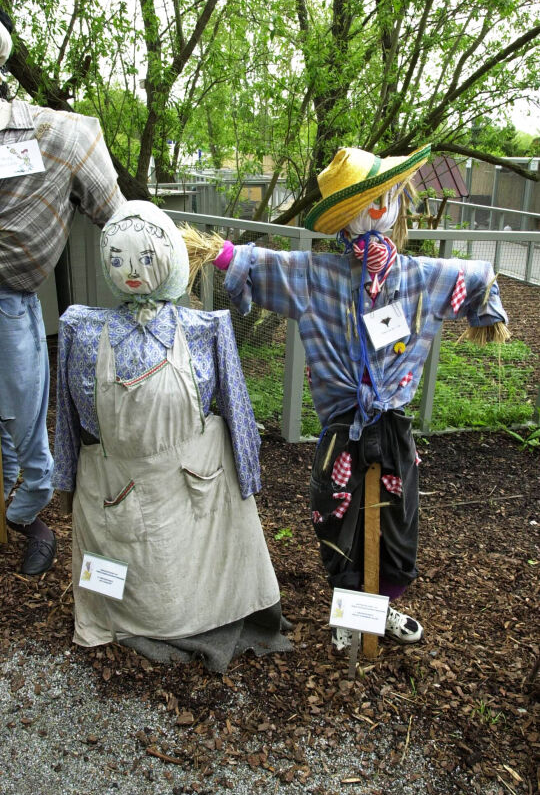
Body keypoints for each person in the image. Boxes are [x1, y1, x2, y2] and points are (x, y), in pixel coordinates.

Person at [210, 144, 509, 649]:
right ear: (346, 217)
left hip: (391, 426)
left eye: (386, 198)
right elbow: (261, 265)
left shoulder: (415, 276)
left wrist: (487, 306)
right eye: (368, 203)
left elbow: (472, 276)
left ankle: (382, 606)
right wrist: (222, 256)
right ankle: (349, 610)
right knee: (336, 516)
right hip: (341, 428)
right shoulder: (316, 277)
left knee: (397, 520)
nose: (380, 210)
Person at [53, 200, 291, 673]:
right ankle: (134, 617)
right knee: (132, 571)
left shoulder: (206, 328)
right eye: (117, 259)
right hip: (118, 485)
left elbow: (238, 413)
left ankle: (206, 613)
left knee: (195, 571)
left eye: (146, 258)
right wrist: (66, 482)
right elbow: (66, 420)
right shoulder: (80, 330)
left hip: (193, 484)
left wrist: (249, 478)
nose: (131, 271)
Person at [0, 9, 125, 575]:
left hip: (10, 301)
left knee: (22, 420)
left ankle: (23, 515)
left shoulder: (51, 133)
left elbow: (118, 216)